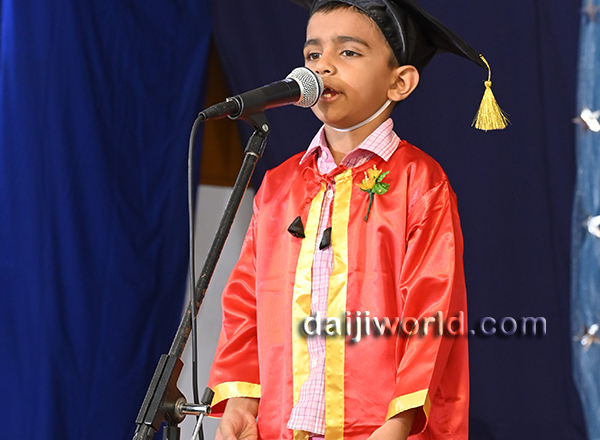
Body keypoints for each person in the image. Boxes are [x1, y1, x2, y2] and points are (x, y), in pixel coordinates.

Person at [208, 1, 506, 439]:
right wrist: (240, 403)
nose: (323, 66)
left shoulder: (419, 182)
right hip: (281, 425)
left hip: (377, 428)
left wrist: (397, 425)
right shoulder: (280, 184)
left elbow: (432, 312)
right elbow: (246, 302)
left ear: (399, 82)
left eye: (347, 52)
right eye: (313, 54)